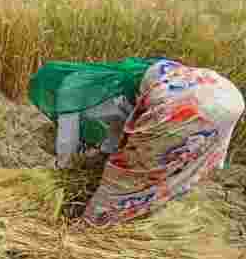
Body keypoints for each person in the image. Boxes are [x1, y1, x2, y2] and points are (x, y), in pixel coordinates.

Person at [29, 57, 245, 225]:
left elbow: (74, 142)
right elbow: (121, 128)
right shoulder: (122, 74)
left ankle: (92, 227)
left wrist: (63, 170)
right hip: (225, 94)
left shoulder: (72, 94)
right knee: (182, 164)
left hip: (185, 106)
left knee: (123, 177)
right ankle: (154, 208)